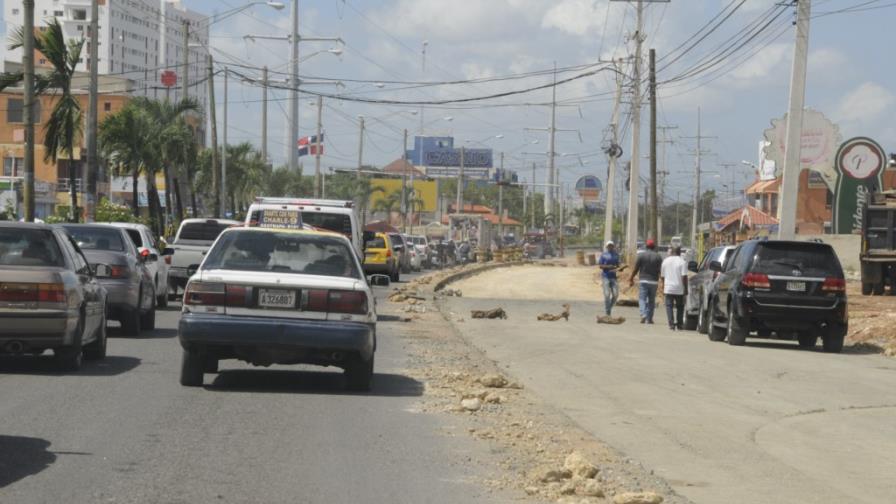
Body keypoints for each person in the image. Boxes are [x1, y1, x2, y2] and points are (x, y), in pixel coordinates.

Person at [629, 239, 663, 324]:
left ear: (646, 247)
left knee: (642, 299)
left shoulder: (641, 256)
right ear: (654, 247)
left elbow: (636, 269)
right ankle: (649, 318)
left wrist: (631, 278)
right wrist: (663, 282)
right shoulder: (658, 257)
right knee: (651, 301)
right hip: (654, 282)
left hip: (643, 281)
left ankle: (643, 314)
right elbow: (661, 271)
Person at [660, 246, 689, 330]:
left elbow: (662, 276)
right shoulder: (682, 262)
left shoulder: (665, 261)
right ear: (679, 252)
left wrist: (663, 285)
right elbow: (684, 277)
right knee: (680, 306)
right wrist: (686, 289)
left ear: (672, 252)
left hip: (668, 288)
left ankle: (671, 324)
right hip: (679, 288)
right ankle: (679, 324)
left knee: (669, 306)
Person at [598, 241, 620, 316]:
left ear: (613, 246)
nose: (610, 247)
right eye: (609, 246)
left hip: (613, 277)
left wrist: (619, 268)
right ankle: (608, 312)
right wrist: (608, 267)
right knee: (607, 295)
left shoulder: (616, 255)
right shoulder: (603, 255)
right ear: (607, 247)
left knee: (616, 295)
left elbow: (618, 265)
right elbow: (600, 265)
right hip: (605, 277)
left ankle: (609, 308)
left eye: (611, 246)